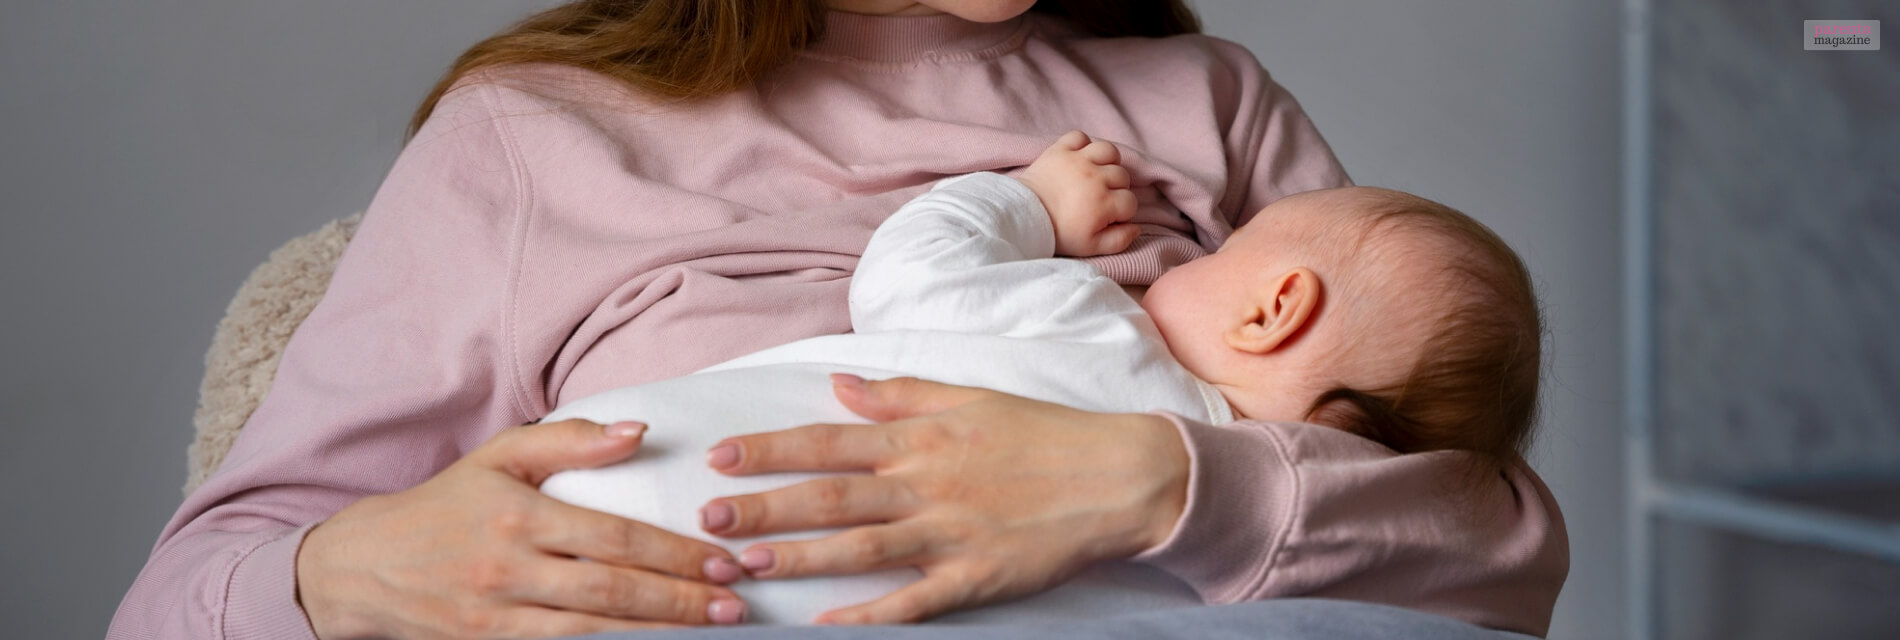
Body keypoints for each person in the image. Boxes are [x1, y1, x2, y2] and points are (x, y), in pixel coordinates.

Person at [107, 2, 1568, 639]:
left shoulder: (1204, 104)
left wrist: (1156, 485)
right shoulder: (530, 142)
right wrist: (357, 571)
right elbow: (179, 606)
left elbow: (1490, 536)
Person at [531, 129, 1551, 626]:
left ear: (1271, 308)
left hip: (627, 486)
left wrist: (1028, 202)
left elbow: (907, 273)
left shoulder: (1089, 319)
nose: (1173, 260)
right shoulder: (1263, 559)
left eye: (1214, 252)